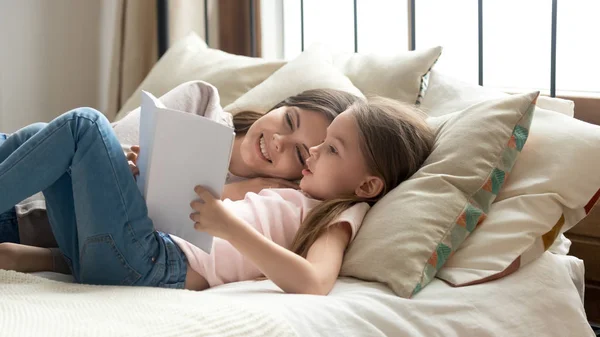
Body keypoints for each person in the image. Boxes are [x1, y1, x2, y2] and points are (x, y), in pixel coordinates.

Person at [0, 95, 433, 294]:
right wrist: (43, 258)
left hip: (151, 262)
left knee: (86, 126)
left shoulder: (339, 216)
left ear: (368, 186)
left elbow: (315, 282)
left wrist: (229, 227)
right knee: (47, 134)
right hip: (136, 253)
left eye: (330, 148)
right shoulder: (294, 198)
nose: (313, 154)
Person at [0, 82, 360, 254]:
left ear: (305, 171)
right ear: (279, 105)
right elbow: (102, 146)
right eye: (289, 119)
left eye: (298, 154)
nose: (279, 139)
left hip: (26, 217)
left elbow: (152, 243)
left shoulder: (259, 206)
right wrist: (127, 164)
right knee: (42, 132)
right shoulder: (202, 102)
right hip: (21, 162)